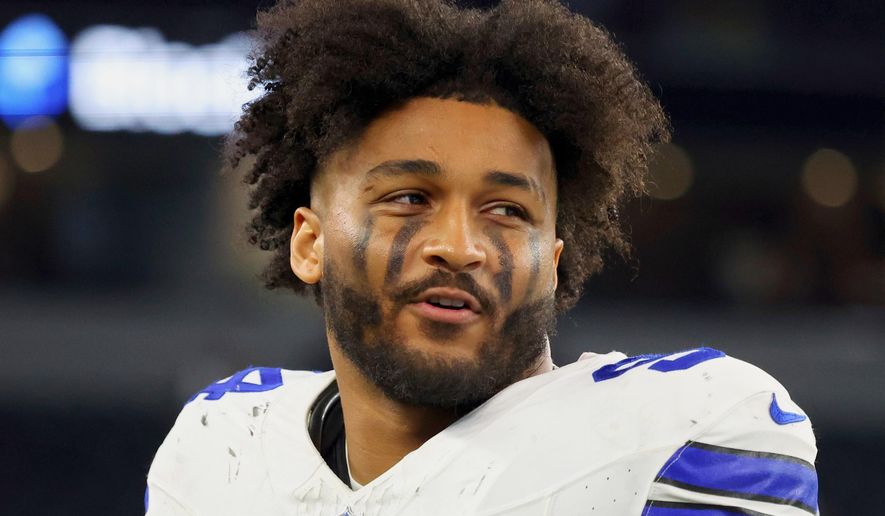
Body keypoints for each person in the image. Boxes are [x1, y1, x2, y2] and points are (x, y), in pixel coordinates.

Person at [146, 1, 819, 514]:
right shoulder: (224, 445)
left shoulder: (682, 433)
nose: (459, 247)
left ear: (551, 262)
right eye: (409, 198)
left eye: (507, 211)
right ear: (309, 242)